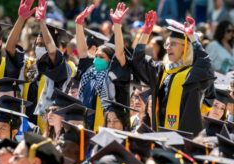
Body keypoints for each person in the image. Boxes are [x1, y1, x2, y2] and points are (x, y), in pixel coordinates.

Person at [132, 11, 215, 135]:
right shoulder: (161, 70)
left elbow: (206, 63)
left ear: (185, 47)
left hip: (183, 138)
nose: (168, 47)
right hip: (159, 135)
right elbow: (138, 62)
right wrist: (145, 33)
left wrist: (192, 37)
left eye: (173, 44)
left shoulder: (192, 74)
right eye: (167, 44)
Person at [75, 3, 131, 131]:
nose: (96, 60)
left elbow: (120, 53)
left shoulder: (115, 76)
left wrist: (117, 25)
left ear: (111, 60)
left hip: (110, 126)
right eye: (96, 56)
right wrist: (79, 24)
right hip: (86, 126)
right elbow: (83, 51)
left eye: (101, 57)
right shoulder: (90, 72)